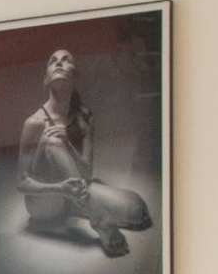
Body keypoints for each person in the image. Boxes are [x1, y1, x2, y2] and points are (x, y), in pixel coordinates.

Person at [12, 46, 155, 262]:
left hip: (72, 192)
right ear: (45, 79)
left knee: (136, 209)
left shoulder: (85, 117)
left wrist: (69, 145)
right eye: (53, 60)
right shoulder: (34, 123)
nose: (59, 62)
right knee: (52, 141)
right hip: (43, 203)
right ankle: (99, 221)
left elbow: (86, 172)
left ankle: (81, 206)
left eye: (66, 59)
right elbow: (22, 183)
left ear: (75, 76)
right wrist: (60, 188)